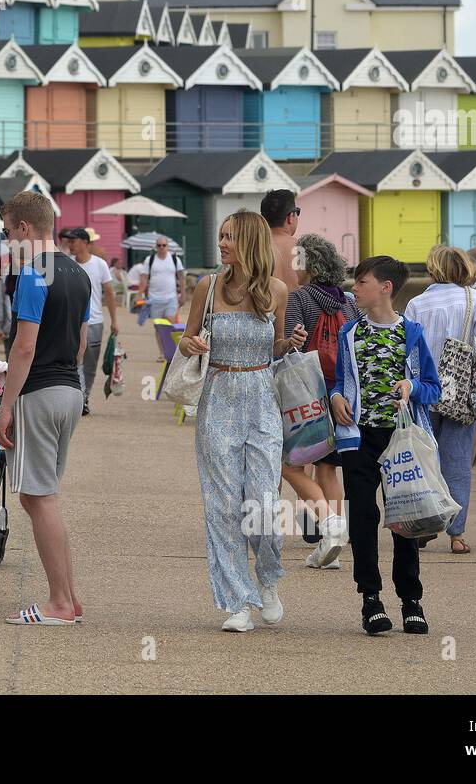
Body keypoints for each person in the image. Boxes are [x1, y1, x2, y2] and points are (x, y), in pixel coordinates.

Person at [179, 211, 305, 632]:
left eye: (229, 237)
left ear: (249, 240)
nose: (222, 244)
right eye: (220, 236)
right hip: (217, 401)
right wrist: (191, 342)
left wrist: (291, 343)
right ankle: (236, 601)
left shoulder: (277, 290)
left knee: (264, 506)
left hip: (260, 403)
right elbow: (184, 339)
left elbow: (275, 348)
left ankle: (267, 580)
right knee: (222, 508)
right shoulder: (207, 286)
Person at [329, 256, 441, 636]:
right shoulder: (349, 333)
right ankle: (370, 599)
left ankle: (411, 600)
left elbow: (434, 387)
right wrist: (335, 399)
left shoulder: (412, 333)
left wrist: (412, 388)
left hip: (400, 437)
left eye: (361, 282)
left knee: (404, 518)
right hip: (357, 438)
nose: (354, 288)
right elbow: (338, 381)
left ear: (385, 287)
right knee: (363, 515)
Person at [0, 191, 91, 627]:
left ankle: (58, 603)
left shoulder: (33, 273)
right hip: (70, 388)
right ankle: (69, 596)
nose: (5, 240)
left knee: (37, 496)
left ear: (23, 229)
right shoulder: (78, 271)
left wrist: (6, 404)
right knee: (45, 496)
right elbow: (82, 342)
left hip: (39, 389)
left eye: (5, 231)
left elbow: (24, 344)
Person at [403, 247, 476, 555]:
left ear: (433, 271)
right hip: (461, 395)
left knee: (423, 462)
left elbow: (405, 351)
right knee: (457, 463)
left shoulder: (416, 304)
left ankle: (424, 525)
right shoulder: (472, 300)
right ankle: (456, 534)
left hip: (423, 393)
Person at [282, 234, 359, 569]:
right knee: (328, 469)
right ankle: (333, 543)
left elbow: (288, 347)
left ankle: (329, 529)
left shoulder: (299, 298)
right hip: (343, 396)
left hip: (307, 397)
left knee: (294, 465)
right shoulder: (349, 302)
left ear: (309, 266)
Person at [60, 227, 118, 415]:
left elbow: (109, 293)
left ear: (85, 243)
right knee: (73, 361)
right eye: (68, 241)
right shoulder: (67, 263)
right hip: (71, 322)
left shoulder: (99, 264)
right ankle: (77, 397)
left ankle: (85, 397)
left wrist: (114, 320)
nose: (70, 245)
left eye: (74, 241)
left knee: (90, 364)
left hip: (94, 321)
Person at [261, 189, 301, 294]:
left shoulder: (254, 247)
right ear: (290, 217)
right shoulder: (301, 248)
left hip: (265, 308)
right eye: (297, 212)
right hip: (297, 309)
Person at [139, 235, 185, 324]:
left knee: (170, 323)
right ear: (156, 247)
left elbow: (181, 278)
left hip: (171, 298)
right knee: (159, 326)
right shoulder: (150, 260)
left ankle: (167, 338)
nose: (161, 247)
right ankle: (162, 338)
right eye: (159, 245)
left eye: (164, 245)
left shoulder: (175, 259)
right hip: (154, 298)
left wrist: (183, 294)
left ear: (167, 246)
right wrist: (139, 294)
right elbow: (144, 278)